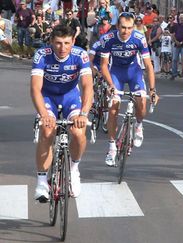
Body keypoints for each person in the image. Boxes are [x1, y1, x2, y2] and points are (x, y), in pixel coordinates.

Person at [31, 24, 93, 201]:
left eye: (67, 43)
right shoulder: (42, 55)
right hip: (48, 97)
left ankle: (74, 170)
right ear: (51, 41)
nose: (62, 48)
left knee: (78, 132)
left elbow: (88, 86)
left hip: (70, 98)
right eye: (58, 43)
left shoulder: (80, 55)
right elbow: (35, 89)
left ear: (73, 41)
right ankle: (42, 182)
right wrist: (44, 114)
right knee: (47, 131)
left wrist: (84, 113)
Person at [99, 12, 159, 166]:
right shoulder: (108, 39)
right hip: (116, 74)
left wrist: (152, 89)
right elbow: (104, 65)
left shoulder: (139, 38)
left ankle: (139, 125)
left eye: (130, 28)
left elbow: (148, 66)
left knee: (141, 102)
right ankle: (112, 147)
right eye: (123, 27)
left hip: (134, 72)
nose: (126, 31)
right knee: (113, 108)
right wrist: (110, 85)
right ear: (117, 26)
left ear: (134, 27)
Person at [170, 13, 183, 79]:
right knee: (174, 59)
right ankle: (174, 73)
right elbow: (173, 34)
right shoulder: (176, 26)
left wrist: (181, 42)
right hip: (176, 44)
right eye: (180, 18)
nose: (181, 19)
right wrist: (176, 41)